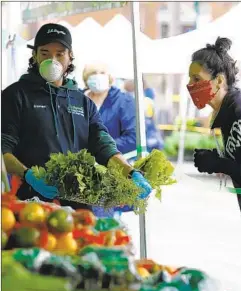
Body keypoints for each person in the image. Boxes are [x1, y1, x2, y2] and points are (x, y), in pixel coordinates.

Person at [1, 23, 152, 210]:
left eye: (59, 53)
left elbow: (102, 144)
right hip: (28, 204)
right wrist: (29, 175)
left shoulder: (82, 101)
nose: (52, 60)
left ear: (70, 56)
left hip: (79, 206)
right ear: (35, 55)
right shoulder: (15, 95)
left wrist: (131, 173)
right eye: (45, 53)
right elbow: (3, 148)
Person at [187, 37, 241, 291]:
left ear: (219, 80)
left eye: (197, 78)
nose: (191, 85)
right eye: (190, 79)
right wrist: (217, 160)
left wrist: (220, 163)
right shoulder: (226, 113)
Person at [82, 63, 136, 155]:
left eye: (102, 73)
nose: (98, 76)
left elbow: (133, 138)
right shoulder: (77, 100)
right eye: (93, 73)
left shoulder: (124, 101)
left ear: (109, 77)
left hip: (112, 160)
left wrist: (101, 147)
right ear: (86, 78)